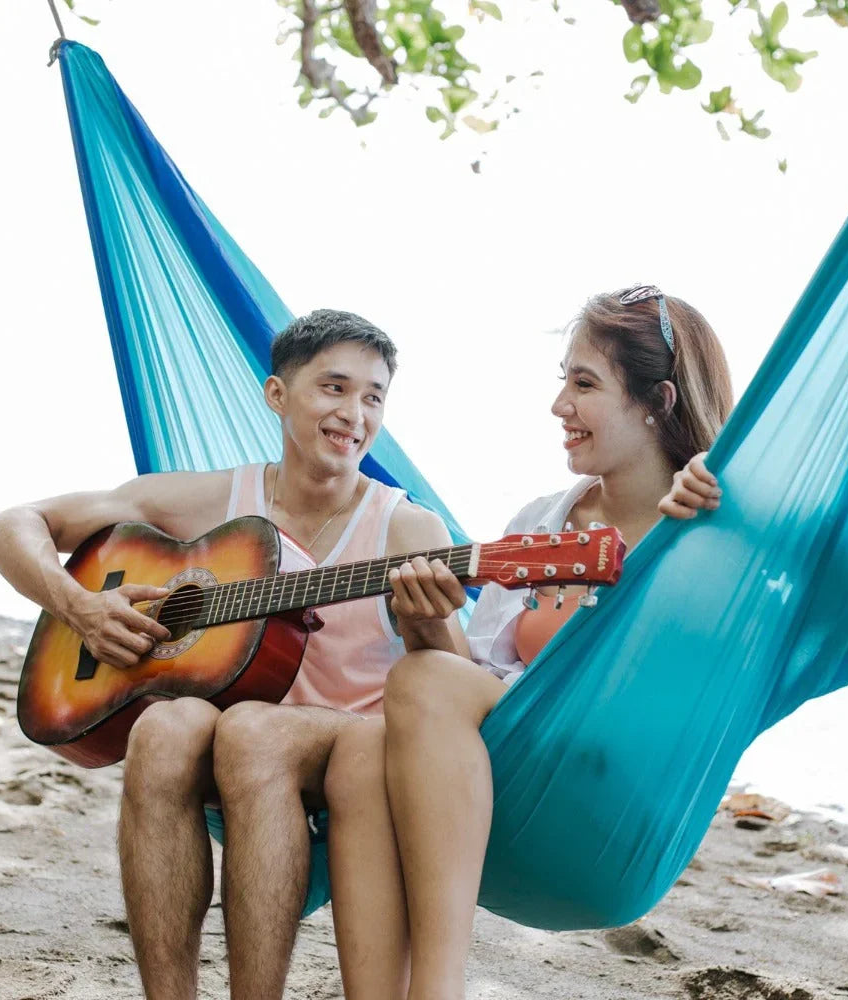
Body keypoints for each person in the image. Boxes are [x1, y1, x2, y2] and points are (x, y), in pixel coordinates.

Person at [0, 309, 463, 1000]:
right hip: (230, 736)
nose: (355, 412)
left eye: (374, 396)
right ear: (277, 394)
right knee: (163, 725)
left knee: (251, 729)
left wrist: (427, 625)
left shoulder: (406, 526)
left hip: (351, 748)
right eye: (334, 387)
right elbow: (10, 525)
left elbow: (456, 681)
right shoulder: (210, 502)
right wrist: (80, 607)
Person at [321, 285, 733, 1000]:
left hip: (613, 810)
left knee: (418, 683)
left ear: (657, 401)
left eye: (584, 383)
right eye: (562, 381)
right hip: (509, 792)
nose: (559, 406)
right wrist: (425, 625)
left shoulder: (716, 531)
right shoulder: (542, 522)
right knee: (365, 745)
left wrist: (733, 507)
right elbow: (472, 689)